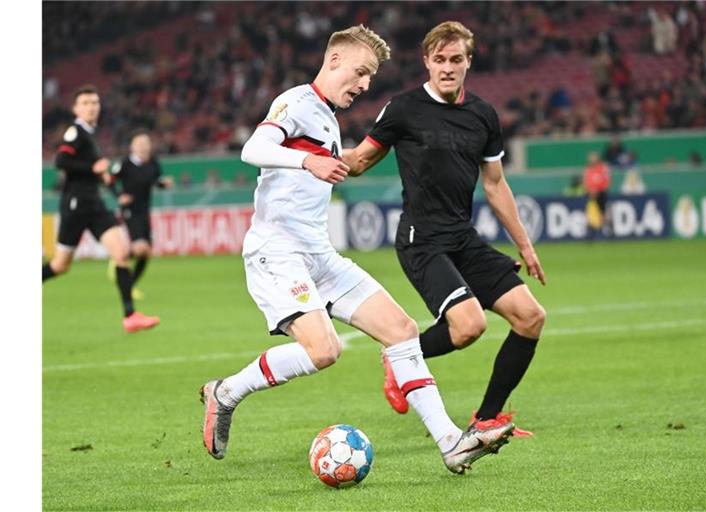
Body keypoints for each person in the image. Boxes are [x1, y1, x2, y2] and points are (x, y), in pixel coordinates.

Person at [199, 25, 516, 475]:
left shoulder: (327, 118)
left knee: (403, 330)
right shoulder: (297, 102)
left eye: (370, 77)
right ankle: (226, 392)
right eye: (361, 72)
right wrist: (307, 159)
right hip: (278, 251)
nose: (365, 84)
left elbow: (348, 158)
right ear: (333, 62)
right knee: (324, 351)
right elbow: (254, 148)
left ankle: (450, 442)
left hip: (319, 254)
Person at [343, 21, 546, 435]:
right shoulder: (404, 109)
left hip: (461, 237)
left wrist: (524, 245)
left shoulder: (483, 115)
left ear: (469, 62)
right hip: (422, 240)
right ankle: (398, 356)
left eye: (456, 59)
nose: (448, 68)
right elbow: (360, 161)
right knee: (469, 326)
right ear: (427, 63)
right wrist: (306, 154)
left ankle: (487, 418)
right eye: (440, 60)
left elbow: (494, 183)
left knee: (530, 317)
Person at [42, 85, 160, 333]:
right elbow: (61, 161)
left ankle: (130, 316)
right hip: (76, 206)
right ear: (76, 108)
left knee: (121, 253)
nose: (91, 107)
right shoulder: (76, 132)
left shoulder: (89, 135)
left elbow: (88, 169)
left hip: (94, 204)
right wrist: (92, 169)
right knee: (61, 265)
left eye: (94, 102)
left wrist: (102, 178)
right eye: (85, 103)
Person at [108, 130, 174, 299]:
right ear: (132, 147)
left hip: (144, 210)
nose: (144, 147)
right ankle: (120, 260)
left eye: (146, 144)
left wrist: (163, 184)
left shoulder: (153, 163)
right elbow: (109, 181)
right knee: (141, 248)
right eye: (140, 144)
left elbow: (155, 181)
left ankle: (129, 283)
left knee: (146, 252)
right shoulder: (124, 164)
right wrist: (118, 196)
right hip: (130, 210)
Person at [583, 151, 612, 238]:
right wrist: (591, 190)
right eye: (591, 158)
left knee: (603, 211)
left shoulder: (603, 168)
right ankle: (591, 230)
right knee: (590, 210)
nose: (592, 160)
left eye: (594, 157)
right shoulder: (588, 169)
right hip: (591, 194)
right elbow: (586, 182)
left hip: (601, 193)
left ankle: (605, 229)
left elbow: (607, 180)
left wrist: (598, 189)